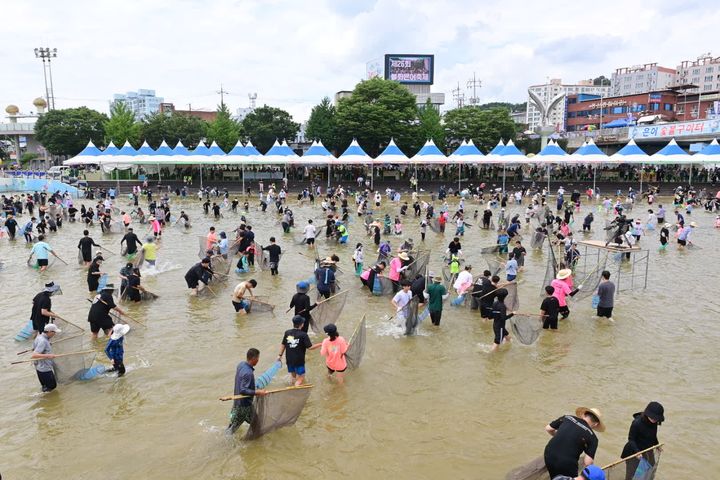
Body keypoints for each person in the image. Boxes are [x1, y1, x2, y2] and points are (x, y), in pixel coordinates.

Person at [544, 407, 605, 479]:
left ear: (583, 415)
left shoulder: (567, 417)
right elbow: (587, 463)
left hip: (548, 454)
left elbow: (548, 428)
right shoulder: (593, 438)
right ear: (596, 424)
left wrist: (563, 436)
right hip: (566, 463)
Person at [227, 348, 269, 434]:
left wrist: (252, 387)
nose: (258, 360)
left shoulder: (241, 365)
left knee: (256, 424)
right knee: (232, 429)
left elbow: (242, 383)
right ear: (253, 359)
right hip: (243, 406)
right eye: (258, 358)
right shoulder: (248, 373)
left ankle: (256, 443)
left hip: (240, 403)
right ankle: (224, 444)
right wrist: (258, 392)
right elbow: (243, 390)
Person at [620, 402, 664, 480]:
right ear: (647, 414)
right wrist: (637, 451)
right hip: (633, 451)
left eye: (656, 418)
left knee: (650, 467)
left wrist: (657, 445)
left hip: (647, 450)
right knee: (631, 474)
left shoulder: (654, 423)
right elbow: (631, 439)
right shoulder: (637, 423)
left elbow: (653, 435)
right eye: (653, 417)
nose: (654, 420)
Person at [278, 316, 316, 386]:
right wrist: (321, 344)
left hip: (289, 359)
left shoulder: (287, 332)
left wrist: (280, 355)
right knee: (301, 376)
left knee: (293, 376)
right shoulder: (303, 335)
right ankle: (296, 388)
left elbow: (283, 344)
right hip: (299, 360)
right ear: (302, 324)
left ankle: (291, 385)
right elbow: (310, 347)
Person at [31, 323, 61, 392]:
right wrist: (48, 355)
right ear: (49, 332)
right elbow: (34, 355)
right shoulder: (43, 341)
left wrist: (47, 345)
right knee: (52, 387)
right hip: (45, 369)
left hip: (39, 368)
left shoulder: (39, 337)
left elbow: (34, 348)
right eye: (54, 332)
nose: (55, 334)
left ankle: (44, 400)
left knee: (45, 388)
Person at [490, 288, 514, 352]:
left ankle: (509, 348)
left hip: (496, 325)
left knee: (509, 338)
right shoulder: (502, 306)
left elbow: (492, 314)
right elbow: (503, 318)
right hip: (500, 327)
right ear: (505, 296)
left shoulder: (495, 303)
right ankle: (491, 355)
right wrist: (512, 314)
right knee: (497, 342)